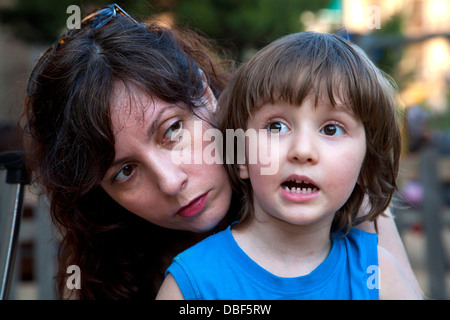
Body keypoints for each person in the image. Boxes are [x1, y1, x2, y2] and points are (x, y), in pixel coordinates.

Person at [22, 4, 419, 299]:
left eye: (172, 130)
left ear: (207, 93)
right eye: (124, 172)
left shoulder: (324, 173)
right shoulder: (119, 277)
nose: (171, 181)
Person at [156, 32, 422, 300]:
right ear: (240, 157)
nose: (302, 151)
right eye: (276, 126)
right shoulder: (193, 284)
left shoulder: (377, 274)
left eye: (331, 129)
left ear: (367, 167)